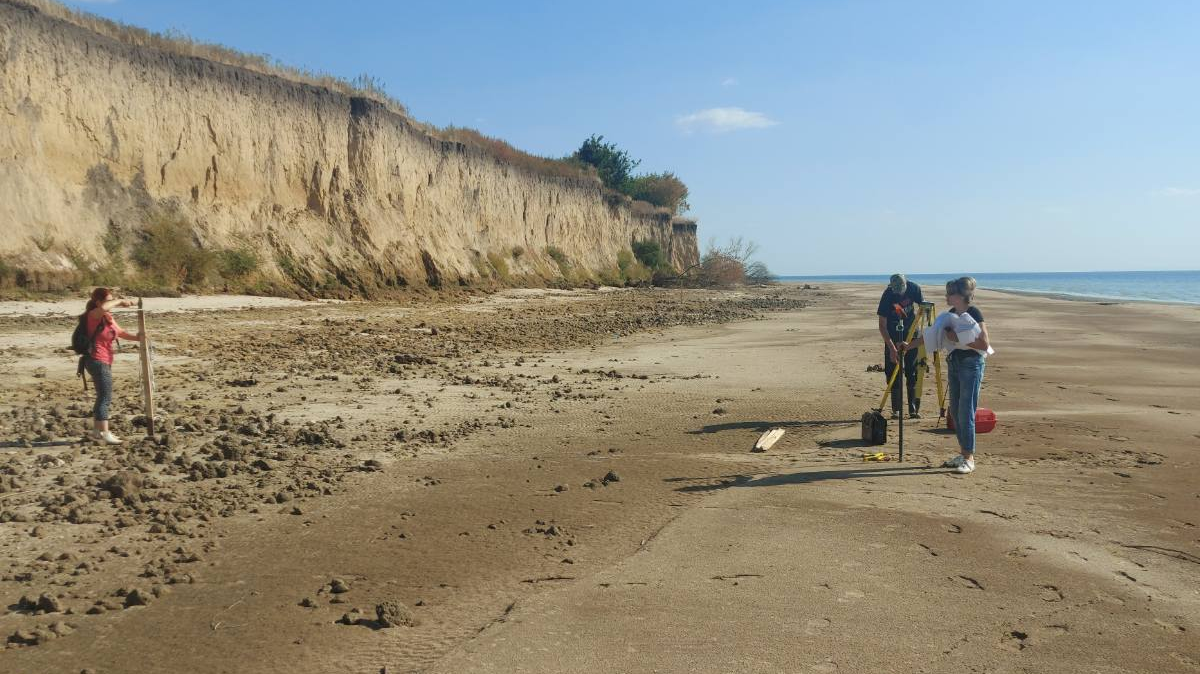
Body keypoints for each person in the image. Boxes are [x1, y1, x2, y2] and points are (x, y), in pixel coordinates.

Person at [902, 276, 990, 474]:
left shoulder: (974, 313)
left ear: (961, 296)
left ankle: (969, 458)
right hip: (955, 362)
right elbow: (932, 335)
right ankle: (963, 453)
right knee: (956, 411)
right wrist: (909, 346)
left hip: (971, 363)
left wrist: (957, 338)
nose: (947, 296)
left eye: (950, 293)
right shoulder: (950, 314)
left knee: (966, 410)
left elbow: (984, 344)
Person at [81, 288, 142, 444]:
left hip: (104, 360)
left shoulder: (107, 317)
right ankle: (105, 433)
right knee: (105, 397)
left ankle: (97, 431)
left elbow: (119, 332)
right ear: (98, 302)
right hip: (96, 360)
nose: (111, 303)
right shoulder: (93, 315)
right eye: (108, 300)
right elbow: (103, 308)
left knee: (102, 395)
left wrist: (138, 338)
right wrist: (120, 301)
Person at [876, 273, 923, 419]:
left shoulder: (914, 288)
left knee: (912, 370)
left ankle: (913, 408)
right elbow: (882, 326)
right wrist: (891, 348)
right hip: (892, 334)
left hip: (911, 333)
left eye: (902, 289)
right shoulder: (888, 295)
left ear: (906, 284)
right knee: (892, 371)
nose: (900, 293)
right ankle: (896, 409)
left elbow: (923, 308)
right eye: (897, 291)